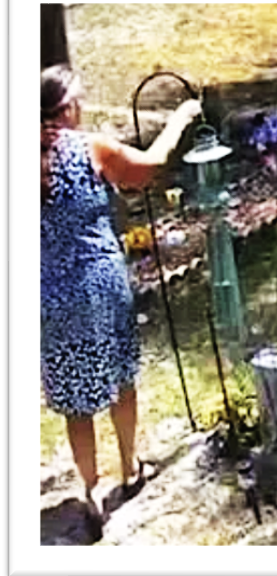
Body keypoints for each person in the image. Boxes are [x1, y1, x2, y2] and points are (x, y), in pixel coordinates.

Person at [40, 64, 202, 529]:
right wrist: (180, 118)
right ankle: (130, 469)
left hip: (50, 291)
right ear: (68, 108)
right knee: (120, 378)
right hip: (100, 281)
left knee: (75, 399)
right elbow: (147, 168)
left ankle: (90, 488)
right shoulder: (91, 148)